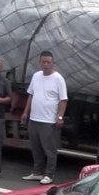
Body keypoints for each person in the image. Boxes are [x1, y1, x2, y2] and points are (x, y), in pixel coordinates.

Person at [20, 51, 67, 185]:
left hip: (48, 121)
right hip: (34, 118)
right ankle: (37, 172)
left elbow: (63, 100)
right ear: (39, 63)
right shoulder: (36, 76)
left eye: (48, 62)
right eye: (43, 62)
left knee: (49, 149)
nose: (46, 64)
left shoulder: (58, 79)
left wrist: (59, 117)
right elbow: (31, 95)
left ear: (52, 63)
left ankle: (49, 174)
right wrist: (25, 112)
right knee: (36, 148)